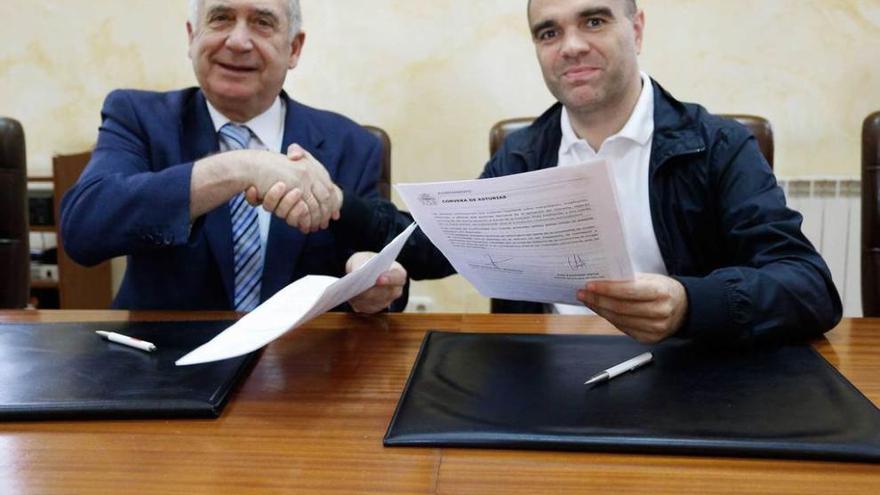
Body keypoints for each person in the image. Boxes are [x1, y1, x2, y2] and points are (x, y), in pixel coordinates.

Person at [335, 0, 842, 346]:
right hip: (545, 387)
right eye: (549, 32)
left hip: (692, 374)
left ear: (637, 29)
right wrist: (348, 221)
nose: (571, 46)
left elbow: (808, 287)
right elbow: (431, 247)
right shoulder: (522, 155)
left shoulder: (718, 145)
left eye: (594, 21)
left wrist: (690, 304)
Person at [60, 0, 405, 313]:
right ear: (192, 36)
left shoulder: (352, 144)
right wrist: (242, 165)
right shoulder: (138, 116)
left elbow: (377, 263)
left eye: (262, 23)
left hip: (304, 365)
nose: (238, 41)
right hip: (165, 367)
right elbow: (84, 229)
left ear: (294, 48)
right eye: (221, 18)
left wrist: (372, 281)